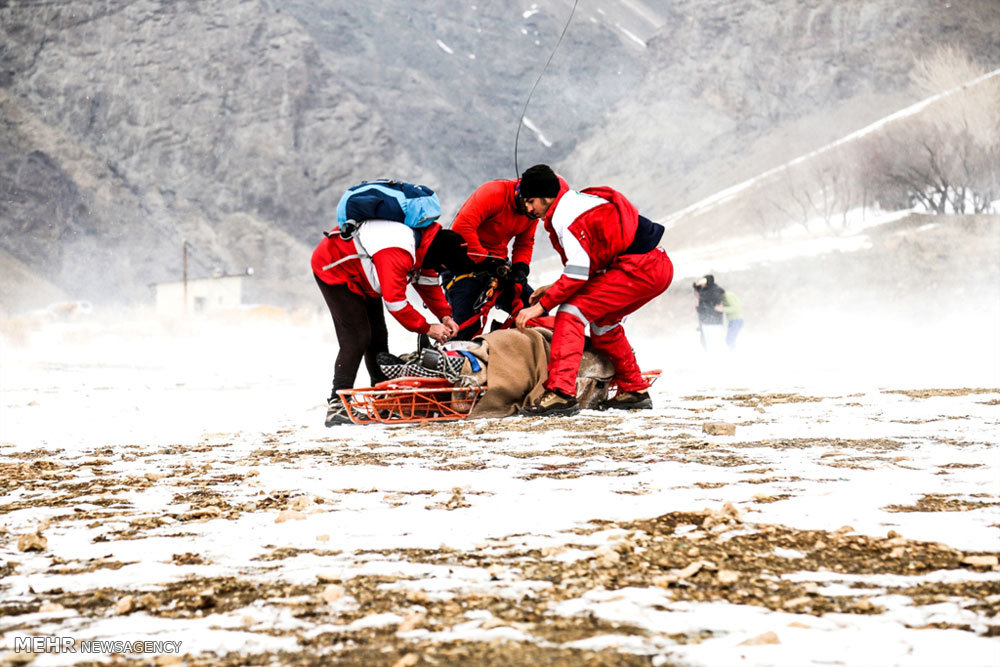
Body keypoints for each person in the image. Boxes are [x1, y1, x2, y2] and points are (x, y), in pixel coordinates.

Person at [513, 164, 674, 417]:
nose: (529, 208)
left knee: (571, 312)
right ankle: (634, 390)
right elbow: (590, 263)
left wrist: (540, 307)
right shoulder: (573, 203)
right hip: (654, 265)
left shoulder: (567, 217)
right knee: (603, 325)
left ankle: (560, 394)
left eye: (531, 201)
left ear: (546, 197)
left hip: (640, 267)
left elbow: (578, 272)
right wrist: (554, 287)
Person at [312, 218, 474, 426]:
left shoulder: (426, 245)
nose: (442, 270)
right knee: (358, 337)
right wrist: (427, 328)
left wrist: (445, 315)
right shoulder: (399, 251)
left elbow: (428, 284)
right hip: (334, 268)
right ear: (439, 258)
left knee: (378, 336)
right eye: (443, 266)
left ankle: (382, 398)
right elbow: (396, 303)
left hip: (362, 276)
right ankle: (337, 406)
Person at [445, 174, 564, 339]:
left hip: (497, 265)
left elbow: (524, 243)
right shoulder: (493, 193)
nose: (531, 210)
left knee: (535, 313)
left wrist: (520, 268)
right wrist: (487, 260)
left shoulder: (531, 212)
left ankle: (515, 347)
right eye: (528, 203)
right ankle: (451, 354)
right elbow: (462, 228)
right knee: (465, 329)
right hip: (464, 264)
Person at [693, 275, 726, 351]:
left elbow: (710, 305)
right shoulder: (705, 290)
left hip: (713, 321)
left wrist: (700, 308)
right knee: (708, 343)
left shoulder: (713, 290)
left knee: (712, 344)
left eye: (703, 281)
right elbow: (696, 287)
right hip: (708, 321)